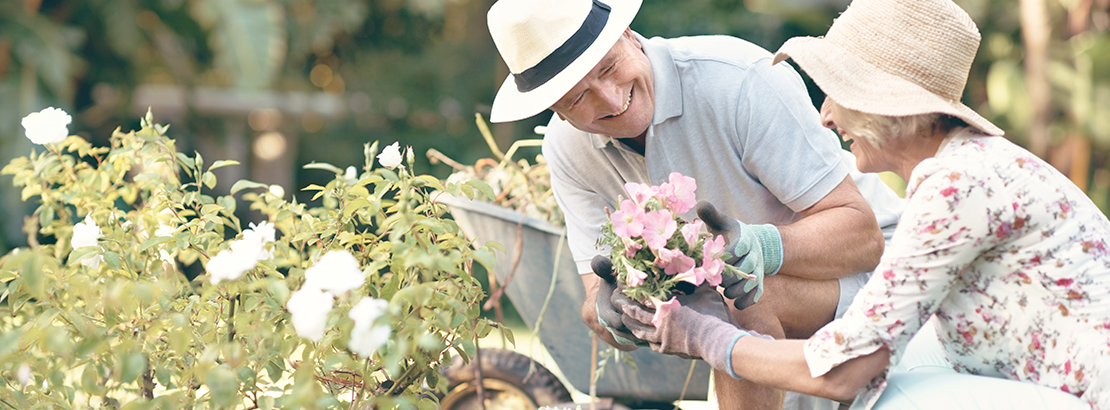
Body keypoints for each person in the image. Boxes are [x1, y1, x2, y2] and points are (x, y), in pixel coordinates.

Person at [617, 0, 1110, 408]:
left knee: (893, 396)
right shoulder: (959, 171)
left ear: (888, 104)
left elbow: (844, 369)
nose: (826, 116)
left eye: (838, 93)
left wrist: (702, 336)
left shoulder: (958, 185)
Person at [485, 0, 904, 408]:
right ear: (554, 110)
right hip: (756, 320)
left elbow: (864, 237)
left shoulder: (738, 80)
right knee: (732, 292)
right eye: (577, 99)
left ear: (629, 36)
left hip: (880, 277)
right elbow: (596, 297)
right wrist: (612, 312)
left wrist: (762, 248)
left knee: (741, 293)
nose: (612, 102)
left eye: (609, 68)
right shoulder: (567, 150)